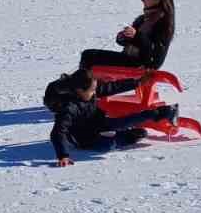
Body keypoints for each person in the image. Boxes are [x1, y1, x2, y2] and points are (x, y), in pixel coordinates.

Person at [44, 68, 177, 167]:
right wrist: (63, 155)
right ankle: (127, 137)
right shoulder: (69, 108)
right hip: (82, 137)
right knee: (105, 147)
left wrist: (138, 82)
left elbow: (112, 87)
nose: (95, 92)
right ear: (80, 91)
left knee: (119, 122)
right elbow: (58, 132)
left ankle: (160, 112)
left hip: (95, 120)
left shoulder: (88, 90)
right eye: (92, 90)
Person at [79, 0, 176, 71]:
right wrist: (123, 37)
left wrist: (136, 35)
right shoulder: (142, 19)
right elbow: (130, 41)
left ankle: (84, 86)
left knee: (89, 56)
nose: (142, 0)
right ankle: (82, 84)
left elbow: (154, 51)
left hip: (142, 64)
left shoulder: (163, 22)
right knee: (88, 55)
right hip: (129, 58)